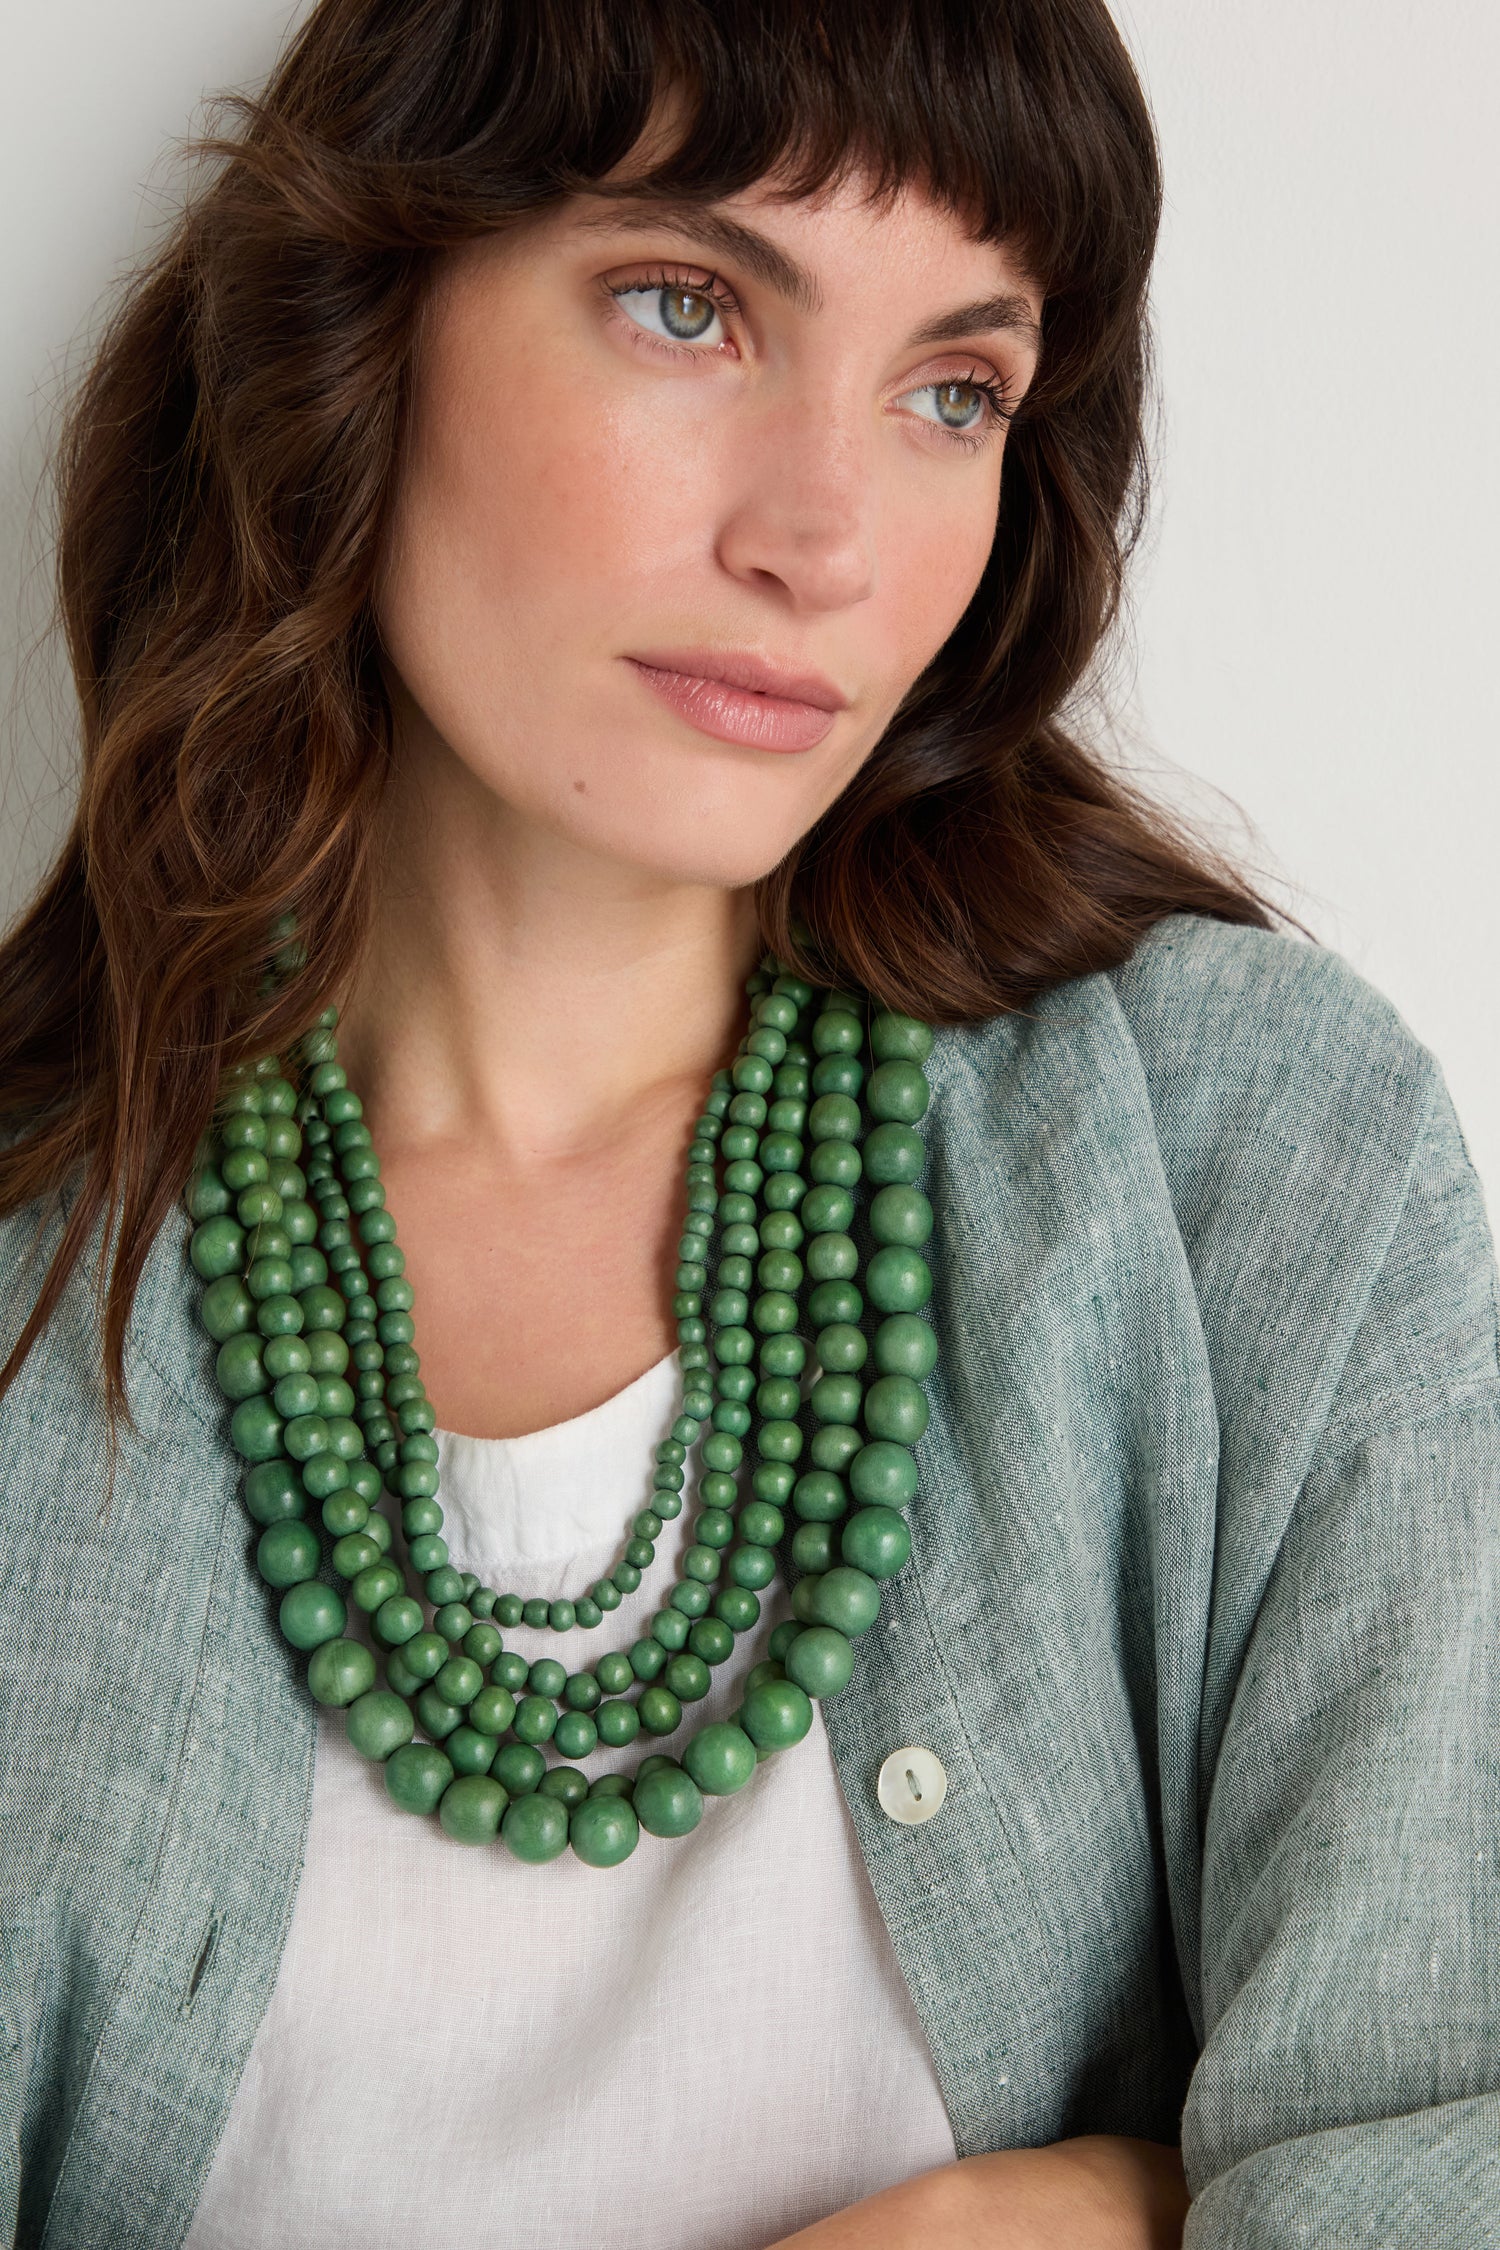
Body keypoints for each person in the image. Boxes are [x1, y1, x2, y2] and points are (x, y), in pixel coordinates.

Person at [1, 0, 1496, 2244]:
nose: (827, 537)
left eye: (952, 392)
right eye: (688, 304)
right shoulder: (44, 1289)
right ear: (359, 320)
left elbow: (1441, 2131)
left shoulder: (1252, 1163)